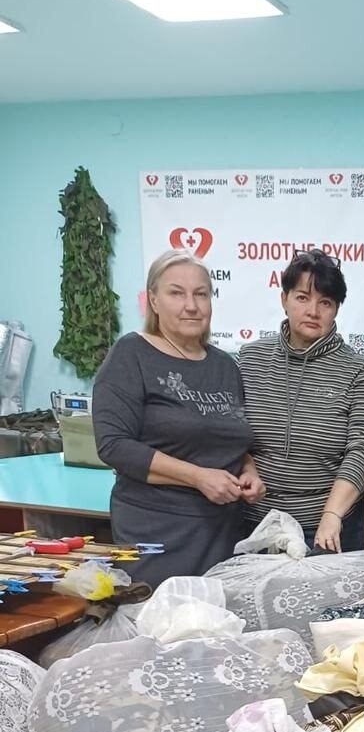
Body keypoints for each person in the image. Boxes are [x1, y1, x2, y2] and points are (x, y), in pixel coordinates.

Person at [93, 249, 264, 584]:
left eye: (201, 294)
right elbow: (114, 445)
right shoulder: (131, 354)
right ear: (154, 301)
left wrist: (249, 471)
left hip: (222, 531)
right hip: (156, 530)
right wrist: (197, 477)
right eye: (176, 293)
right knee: (162, 614)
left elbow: (227, 436)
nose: (191, 305)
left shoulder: (224, 365)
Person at [238, 248, 364, 552]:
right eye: (302, 298)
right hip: (254, 526)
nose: (313, 311)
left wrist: (332, 515)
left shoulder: (359, 371)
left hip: (327, 530)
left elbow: (362, 449)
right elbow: (229, 432)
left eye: (325, 302)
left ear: (337, 309)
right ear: (284, 299)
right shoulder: (250, 359)